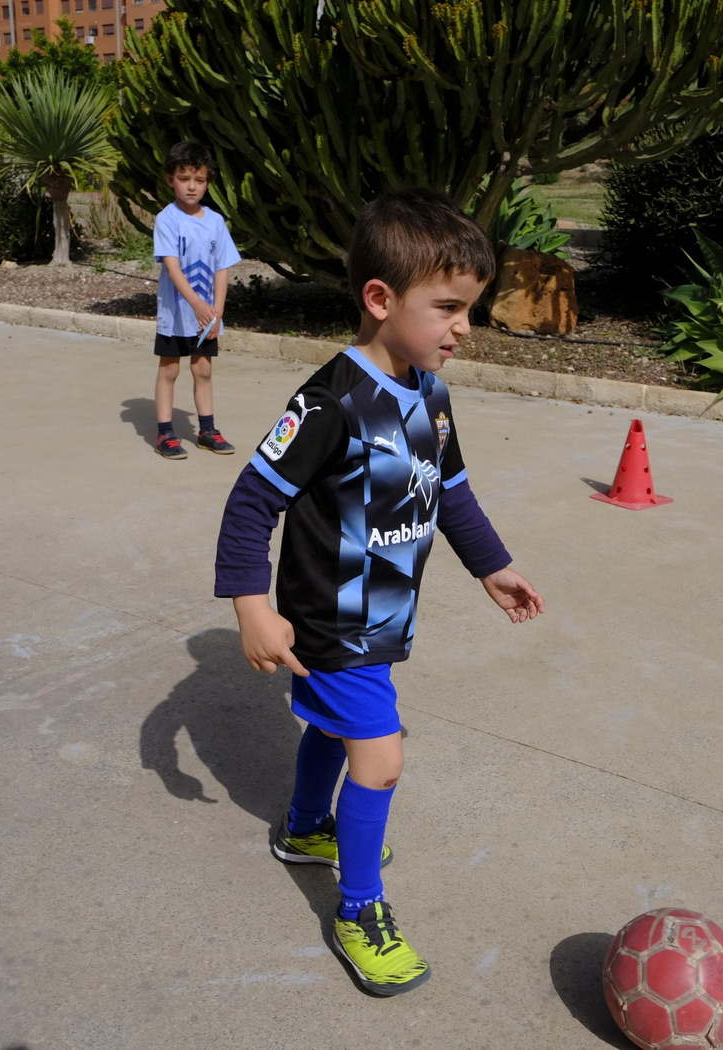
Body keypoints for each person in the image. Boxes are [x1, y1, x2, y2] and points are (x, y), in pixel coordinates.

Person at [213, 189, 545, 996]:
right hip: (331, 618)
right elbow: (253, 500)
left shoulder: (430, 391)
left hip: (385, 614)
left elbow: (452, 489)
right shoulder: (330, 401)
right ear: (380, 299)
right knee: (383, 759)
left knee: (335, 729)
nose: (464, 327)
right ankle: (359, 909)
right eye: (448, 308)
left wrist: (491, 565)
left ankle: (302, 828)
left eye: (470, 308)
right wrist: (252, 605)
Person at [150, 140, 241, 458]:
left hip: (207, 316)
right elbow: (172, 268)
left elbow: (222, 270)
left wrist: (216, 312)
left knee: (203, 370)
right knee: (169, 370)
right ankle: (165, 434)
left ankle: (207, 430)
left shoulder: (216, 221)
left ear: (207, 181)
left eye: (199, 180)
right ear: (169, 179)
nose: (192, 187)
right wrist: (197, 305)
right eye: (184, 178)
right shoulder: (167, 219)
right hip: (175, 315)